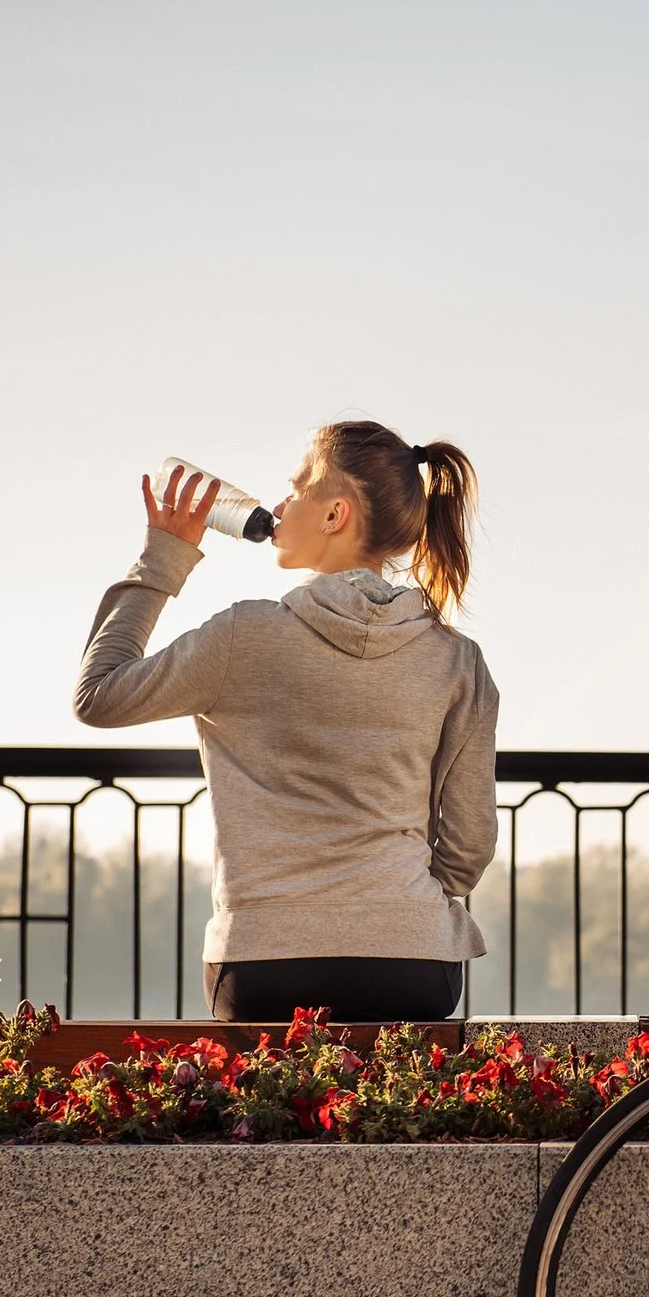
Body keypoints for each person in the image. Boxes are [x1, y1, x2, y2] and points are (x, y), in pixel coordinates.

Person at [74, 422, 498, 1023]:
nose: (279, 505)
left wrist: (162, 558)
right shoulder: (458, 661)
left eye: (297, 488)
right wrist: (391, 909)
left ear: (335, 515)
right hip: (414, 959)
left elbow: (100, 695)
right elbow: (469, 846)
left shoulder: (243, 635)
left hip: (264, 963)